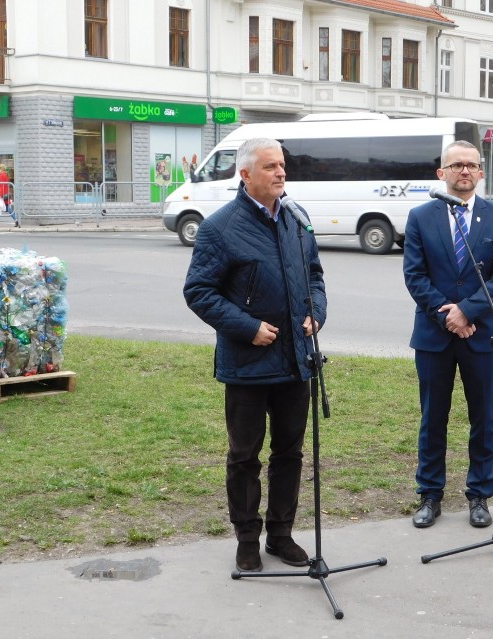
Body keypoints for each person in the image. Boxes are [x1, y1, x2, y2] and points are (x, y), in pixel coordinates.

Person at [183, 138, 327, 572]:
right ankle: (247, 538)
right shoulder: (219, 228)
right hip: (247, 365)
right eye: (270, 166)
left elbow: (315, 276)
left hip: (295, 361)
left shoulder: (297, 220)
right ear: (245, 174)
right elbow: (199, 292)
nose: (281, 173)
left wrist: (315, 312)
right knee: (245, 456)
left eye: (282, 165)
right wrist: (247, 328)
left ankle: (280, 534)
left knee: (290, 453)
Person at [403, 140, 493, 530]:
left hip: (482, 335)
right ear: (441, 173)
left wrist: (467, 311)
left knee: (483, 418)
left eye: (471, 165)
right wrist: (447, 315)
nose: (464, 171)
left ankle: (479, 494)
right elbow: (415, 277)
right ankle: (429, 495)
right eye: (456, 165)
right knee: (433, 417)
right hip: (434, 337)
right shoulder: (420, 217)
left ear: (481, 172)